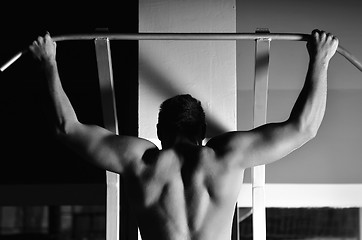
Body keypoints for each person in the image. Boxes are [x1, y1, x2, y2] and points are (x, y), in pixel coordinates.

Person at [29, 29, 338, 240]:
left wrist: (48, 61)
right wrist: (320, 59)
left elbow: (65, 127)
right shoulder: (227, 157)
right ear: (202, 130)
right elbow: (305, 127)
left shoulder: (141, 161)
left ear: (160, 130)